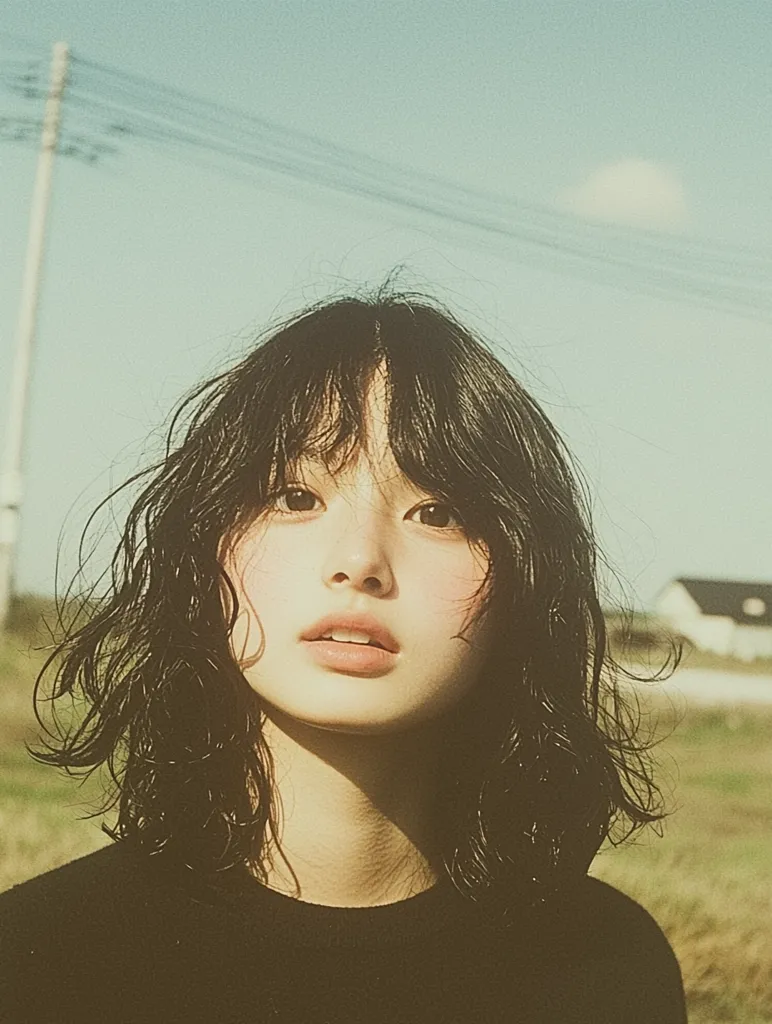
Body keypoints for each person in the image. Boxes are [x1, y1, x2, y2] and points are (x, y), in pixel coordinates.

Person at [0, 288, 687, 1022]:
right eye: (295, 497)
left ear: (526, 578)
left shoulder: (607, 970)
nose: (359, 561)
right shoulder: (40, 961)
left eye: (439, 512)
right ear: (204, 549)